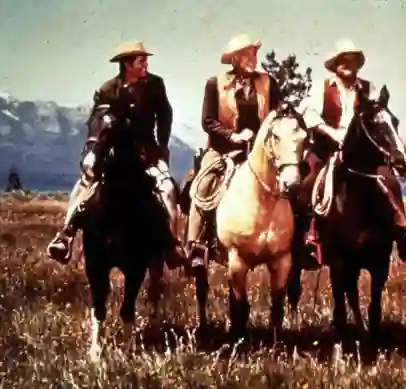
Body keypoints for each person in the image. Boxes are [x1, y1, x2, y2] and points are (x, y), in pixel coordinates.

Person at [46, 41, 186, 266]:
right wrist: (93, 152)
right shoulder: (107, 90)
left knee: (168, 188)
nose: (145, 64)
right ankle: (66, 234)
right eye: (141, 61)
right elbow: (97, 122)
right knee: (83, 186)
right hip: (112, 151)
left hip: (146, 152)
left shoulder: (155, 85)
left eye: (145, 60)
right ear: (127, 64)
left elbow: (165, 116)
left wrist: (162, 147)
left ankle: (172, 245)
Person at [296, 38, 406, 262]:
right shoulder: (323, 87)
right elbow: (309, 115)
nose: (349, 65)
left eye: (353, 60)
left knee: (389, 181)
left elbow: (380, 116)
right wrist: (333, 133)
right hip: (327, 147)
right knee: (309, 181)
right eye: (344, 60)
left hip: (361, 151)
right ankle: (310, 235)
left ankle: (404, 234)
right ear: (336, 64)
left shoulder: (369, 88)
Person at [186, 33, 283, 270]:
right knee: (204, 183)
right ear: (235, 58)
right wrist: (233, 136)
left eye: (254, 53)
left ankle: (296, 240)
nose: (253, 57)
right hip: (223, 150)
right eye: (248, 53)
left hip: (261, 153)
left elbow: (278, 116)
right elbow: (207, 120)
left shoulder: (269, 83)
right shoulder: (215, 83)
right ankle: (196, 244)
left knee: (290, 183)